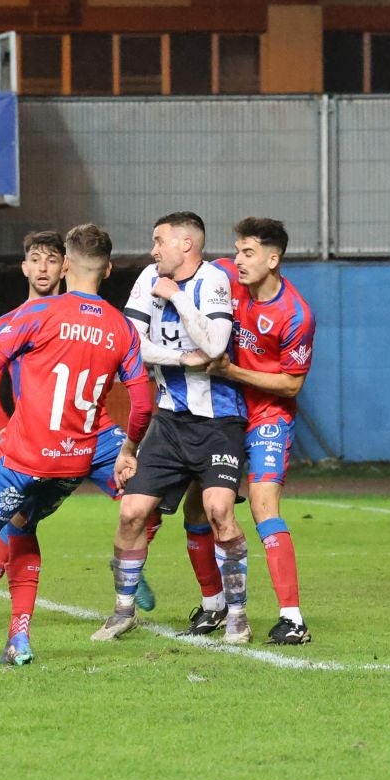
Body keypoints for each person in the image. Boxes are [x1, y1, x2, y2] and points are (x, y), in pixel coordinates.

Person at [0, 223, 153, 674]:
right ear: (106, 271)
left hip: (24, 456)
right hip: (75, 461)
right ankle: (19, 640)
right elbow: (141, 403)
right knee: (23, 527)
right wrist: (128, 448)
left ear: (65, 265)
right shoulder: (121, 329)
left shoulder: (36, 315)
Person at [94, 212, 251, 644]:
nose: (153, 249)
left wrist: (179, 298)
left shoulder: (214, 280)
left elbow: (216, 345)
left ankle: (237, 614)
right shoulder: (147, 277)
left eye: (159, 240)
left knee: (220, 512)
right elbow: (131, 342)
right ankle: (123, 610)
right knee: (131, 513)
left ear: (186, 244)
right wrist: (181, 358)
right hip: (168, 420)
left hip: (220, 422)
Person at [202, 217, 316, 644]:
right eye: (237, 251)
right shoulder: (227, 278)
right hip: (224, 413)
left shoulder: (296, 314)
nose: (238, 260)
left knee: (264, 506)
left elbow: (291, 383)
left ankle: (292, 619)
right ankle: (214, 606)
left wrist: (232, 369)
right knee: (203, 508)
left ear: (273, 258)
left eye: (247, 253)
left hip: (269, 415)